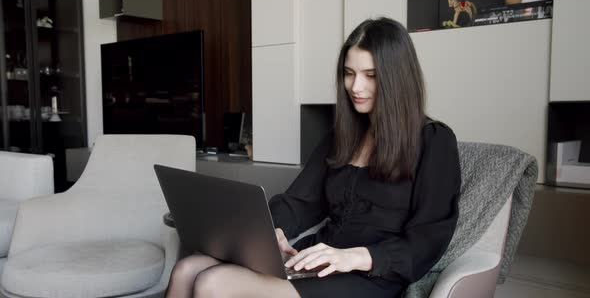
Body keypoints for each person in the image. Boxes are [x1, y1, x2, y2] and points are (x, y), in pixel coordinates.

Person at [164, 17, 461, 298]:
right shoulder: (343, 135)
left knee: (213, 282)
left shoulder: (435, 141)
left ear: (397, 78)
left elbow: (428, 239)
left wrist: (356, 256)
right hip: (319, 257)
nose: (356, 87)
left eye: (371, 75)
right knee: (187, 268)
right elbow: (300, 202)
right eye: (349, 73)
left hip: (371, 275)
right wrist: (273, 231)